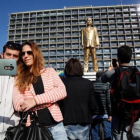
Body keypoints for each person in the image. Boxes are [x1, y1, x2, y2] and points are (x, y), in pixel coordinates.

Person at [12, 41, 68, 140]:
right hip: (33, 129)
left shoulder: (50, 71)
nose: (26, 56)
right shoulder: (19, 78)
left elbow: (62, 91)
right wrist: (49, 99)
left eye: (29, 52)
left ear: (36, 53)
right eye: (23, 53)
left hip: (56, 126)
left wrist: (34, 101)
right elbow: (17, 104)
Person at [101, 45, 140, 140]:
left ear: (118, 58)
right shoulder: (137, 73)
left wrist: (110, 69)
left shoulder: (114, 73)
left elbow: (102, 78)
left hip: (119, 117)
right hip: (136, 116)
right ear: (130, 57)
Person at [58, 58, 97, 140]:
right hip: (84, 119)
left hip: (66, 120)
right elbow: (93, 104)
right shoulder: (88, 83)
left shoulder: (61, 83)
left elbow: (59, 103)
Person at [0, 42, 21, 140]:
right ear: (2, 54)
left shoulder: (21, 76)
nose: (11, 58)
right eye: (8, 54)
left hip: (12, 130)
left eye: (15, 56)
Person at [91, 71, 112, 140]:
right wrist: (110, 114)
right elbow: (108, 101)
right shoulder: (106, 85)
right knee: (108, 133)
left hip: (94, 114)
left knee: (94, 132)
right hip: (105, 113)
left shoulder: (91, 85)